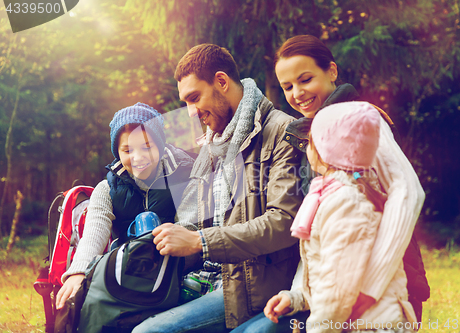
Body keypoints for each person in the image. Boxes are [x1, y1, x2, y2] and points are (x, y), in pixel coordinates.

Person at [231, 35, 428, 332]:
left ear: (332, 72)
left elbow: (407, 193)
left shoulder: (362, 123)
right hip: (341, 297)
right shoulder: (313, 137)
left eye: (305, 79)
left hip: (383, 298)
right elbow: (319, 237)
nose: (297, 93)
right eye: (287, 86)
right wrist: (297, 293)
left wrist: (370, 287)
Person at [131, 44, 303, 333]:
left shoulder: (283, 133)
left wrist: (200, 241)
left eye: (194, 98)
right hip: (207, 277)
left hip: (249, 286)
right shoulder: (213, 144)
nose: (190, 113)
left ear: (222, 82)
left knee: (148, 332)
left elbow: (283, 223)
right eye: (185, 102)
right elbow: (192, 222)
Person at [265, 101, 418, 333]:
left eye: (311, 141)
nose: (306, 147)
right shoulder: (333, 195)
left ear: (326, 150)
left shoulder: (346, 203)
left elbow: (337, 290)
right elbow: (329, 269)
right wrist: (296, 298)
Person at [55, 102, 194, 310]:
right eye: (127, 150)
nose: (138, 157)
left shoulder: (184, 176)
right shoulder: (107, 189)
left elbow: (190, 228)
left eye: (147, 146)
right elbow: (94, 232)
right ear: (117, 152)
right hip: (127, 275)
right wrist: (78, 271)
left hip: (176, 272)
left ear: (160, 146)